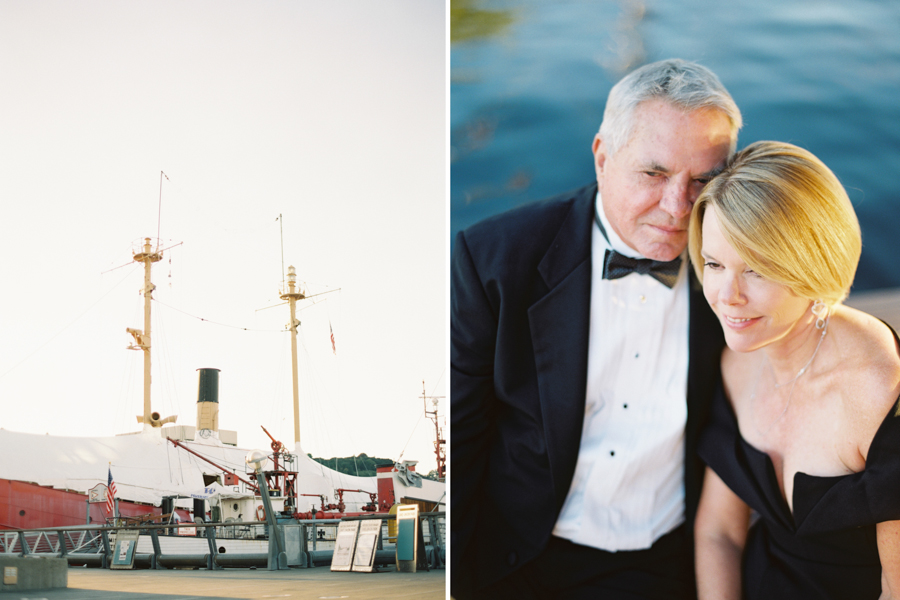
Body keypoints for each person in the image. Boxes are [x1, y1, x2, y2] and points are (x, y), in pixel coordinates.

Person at [451, 59, 742, 599]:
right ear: (603, 158)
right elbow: (462, 447)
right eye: (654, 174)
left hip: (673, 561)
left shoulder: (738, 270)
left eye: (703, 180)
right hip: (523, 558)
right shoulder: (492, 261)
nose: (679, 208)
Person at [689, 141, 900, 600]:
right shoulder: (735, 363)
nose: (727, 295)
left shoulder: (876, 390)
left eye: (756, 270)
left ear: (812, 265)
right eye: (713, 264)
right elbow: (718, 534)